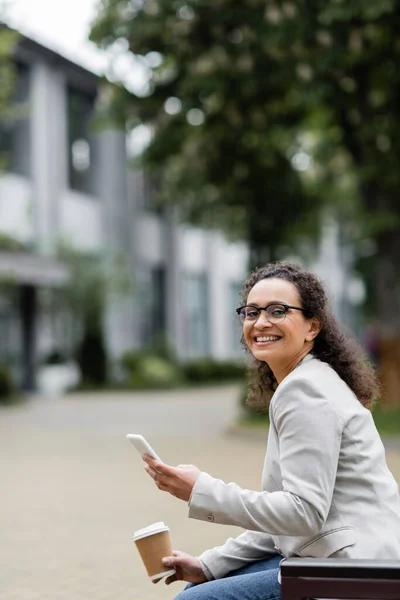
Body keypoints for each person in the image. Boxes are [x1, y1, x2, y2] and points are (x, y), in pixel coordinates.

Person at [143, 261, 400, 600]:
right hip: (348, 559)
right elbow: (287, 523)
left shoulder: (305, 392)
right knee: (201, 584)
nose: (260, 322)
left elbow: (302, 512)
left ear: (312, 327)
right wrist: (208, 565)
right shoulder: (308, 381)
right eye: (251, 312)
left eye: (278, 311)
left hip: (352, 571)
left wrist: (200, 489)